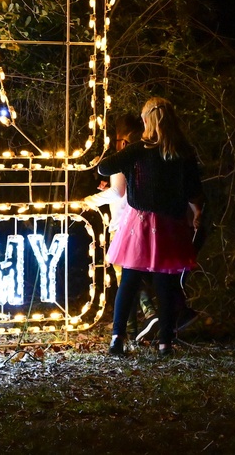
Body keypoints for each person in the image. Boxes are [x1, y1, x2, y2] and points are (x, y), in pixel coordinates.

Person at [90, 97, 204, 357]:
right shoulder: (182, 151)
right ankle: (165, 342)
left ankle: (117, 339)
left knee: (129, 279)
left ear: (146, 121)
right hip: (170, 225)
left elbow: (105, 167)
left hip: (139, 224)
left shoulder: (140, 149)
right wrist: (197, 212)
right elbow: (193, 189)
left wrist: (122, 156)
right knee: (165, 281)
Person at [85, 114, 159, 343]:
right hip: (140, 222)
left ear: (123, 141)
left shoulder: (123, 157)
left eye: (116, 140)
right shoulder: (146, 156)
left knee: (126, 279)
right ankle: (138, 328)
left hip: (123, 226)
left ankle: (141, 320)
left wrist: (90, 200)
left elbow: (118, 192)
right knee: (132, 276)